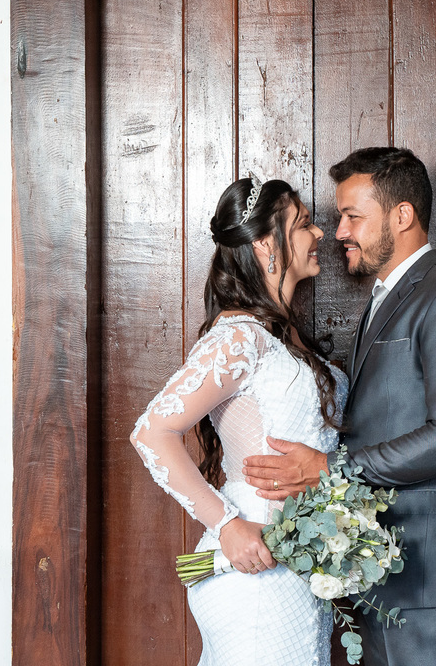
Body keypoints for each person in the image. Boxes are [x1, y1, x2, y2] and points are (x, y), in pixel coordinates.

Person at [241, 148, 436, 666]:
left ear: (402, 216)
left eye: (352, 216)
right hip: (383, 572)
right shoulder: (383, 300)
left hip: (434, 576)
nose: (339, 230)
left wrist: (328, 468)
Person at [130, 176, 347, 666]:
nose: (319, 236)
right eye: (306, 224)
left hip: (300, 568)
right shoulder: (238, 339)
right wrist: (227, 525)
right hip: (253, 565)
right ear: (268, 244)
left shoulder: (286, 337)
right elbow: (151, 432)